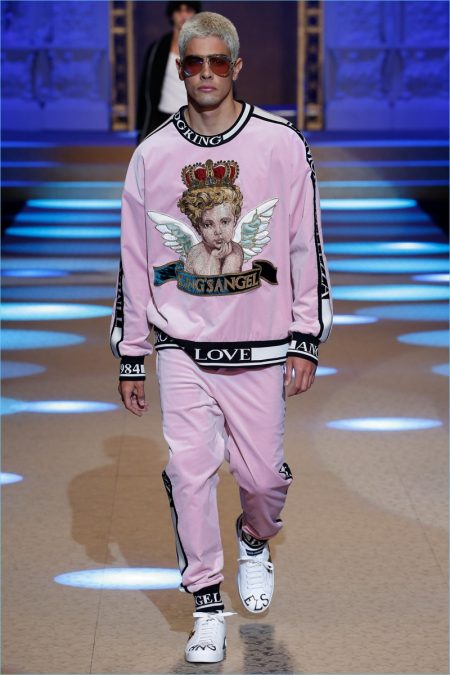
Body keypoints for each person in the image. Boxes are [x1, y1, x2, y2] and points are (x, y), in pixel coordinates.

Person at [111, 11, 332, 664]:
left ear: (235, 67)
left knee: (262, 480)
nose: (205, 73)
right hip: (182, 348)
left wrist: (305, 335)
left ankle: (255, 536)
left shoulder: (281, 143)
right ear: (180, 70)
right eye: (193, 62)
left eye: (216, 62)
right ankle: (206, 604)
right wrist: (133, 351)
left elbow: (305, 241)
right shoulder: (152, 155)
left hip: (260, 347)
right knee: (189, 471)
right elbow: (133, 258)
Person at [136, 1, 202, 142]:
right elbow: (146, 91)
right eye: (179, 10)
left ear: (196, 14)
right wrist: (142, 128)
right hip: (163, 120)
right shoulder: (157, 49)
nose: (184, 15)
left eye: (188, 10)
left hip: (196, 119)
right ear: (171, 15)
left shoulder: (205, 48)